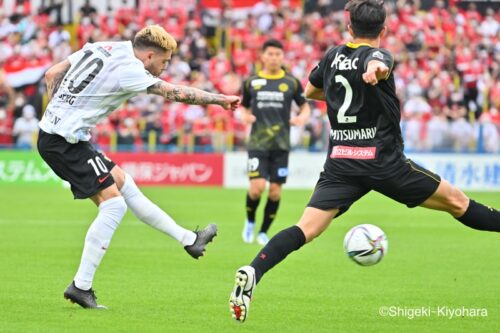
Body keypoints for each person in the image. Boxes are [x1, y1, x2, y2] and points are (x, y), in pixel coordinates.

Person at [229, 0, 500, 323]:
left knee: (306, 228)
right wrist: (374, 72)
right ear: (383, 31)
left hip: (341, 162)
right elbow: (378, 61)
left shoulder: (331, 56)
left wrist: (355, 80)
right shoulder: (381, 55)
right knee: (457, 202)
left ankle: (253, 269)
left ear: (349, 28)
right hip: (384, 162)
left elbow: (311, 90)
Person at [37, 25, 240, 309]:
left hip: (62, 136)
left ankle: (189, 239)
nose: (165, 67)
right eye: (164, 61)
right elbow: (175, 93)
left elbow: (52, 73)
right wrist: (220, 100)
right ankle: (81, 286)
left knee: (123, 182)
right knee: (114, 206)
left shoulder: (106, 46)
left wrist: (58, 111)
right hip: (64, 142)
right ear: (148, 55)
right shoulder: (132, 69)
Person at [240, 39, 310, 245]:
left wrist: (301, 118)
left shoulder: (291, 82)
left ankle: (263, 231)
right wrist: (244, 116)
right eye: (270, 54)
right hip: (257, 144)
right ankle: (250, 222)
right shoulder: (251, 82)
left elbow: (305, 106)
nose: (274, 58)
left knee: (275, 191)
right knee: (256, 188)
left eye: (278, 54)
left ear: (282, 57)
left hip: (281, 145)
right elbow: (243, 106)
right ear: (263, 56)